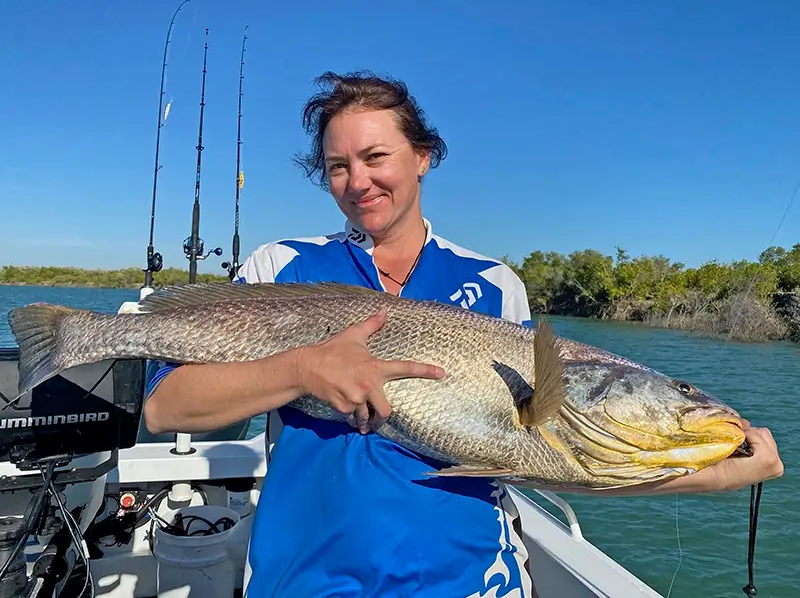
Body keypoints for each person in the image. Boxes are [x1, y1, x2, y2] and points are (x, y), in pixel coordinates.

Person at [143, 71, 783, 598]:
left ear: (422, 156)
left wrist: (716, 472)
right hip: (304, 579)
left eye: (376, 156)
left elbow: (540, 454)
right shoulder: (280, 267)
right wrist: (300, 372)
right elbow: (166, 407)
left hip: (469, 581)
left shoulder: (494, 283)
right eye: (337, 166)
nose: (357, 181)